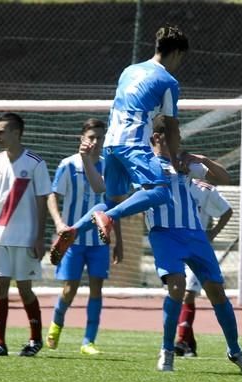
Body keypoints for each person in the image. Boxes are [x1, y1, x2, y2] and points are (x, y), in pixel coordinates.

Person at [49, 24, 189, 263]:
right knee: (160, 191)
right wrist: (176, 161)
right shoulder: (168, 80)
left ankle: (73, 230)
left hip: (111, 143)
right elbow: (171, 126)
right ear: (176, 53)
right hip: (133, 143)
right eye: (181, 58)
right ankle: (109, 217)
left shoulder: (129, 70)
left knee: (110, 200)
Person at [146, 115, 242, 374]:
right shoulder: (145, 164)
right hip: (165, 234)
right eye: (176, 138)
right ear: (158, 138)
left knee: (217, 291)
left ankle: (235, 350)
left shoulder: (188, 164)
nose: (180, 143)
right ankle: (167, 350)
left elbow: (224, 177)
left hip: (195, 234)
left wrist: (202, 160)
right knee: (177, 286)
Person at [46, 118, 123, 355]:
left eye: (100, 137)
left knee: (96, 288)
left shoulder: (108, 167)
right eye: (91, 137)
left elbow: (113, 205)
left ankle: (88, 341)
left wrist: (118, 239)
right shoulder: (68, 165)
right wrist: (59, 223)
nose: (96, 142)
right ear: (82, 139)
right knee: (69, 289)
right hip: (73, 239)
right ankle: (56, 325)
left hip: (98, 241)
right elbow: (52, 196)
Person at [0, 112, 51, 357]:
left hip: (26, 237)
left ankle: (35, 339)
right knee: (0, 285)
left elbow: (43, 202)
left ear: (16, 133)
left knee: (24, 288)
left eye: (1, 131)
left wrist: (40, 237)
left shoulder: (35, 163)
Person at [175, 179, 233, 357]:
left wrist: (213, 233)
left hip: (197, 249)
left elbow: (227, 211)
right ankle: (189, 343)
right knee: (176, 293)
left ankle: (182, 340)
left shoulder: (205, 189)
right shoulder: (170, 183)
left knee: (188, 293)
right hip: (173, 246)